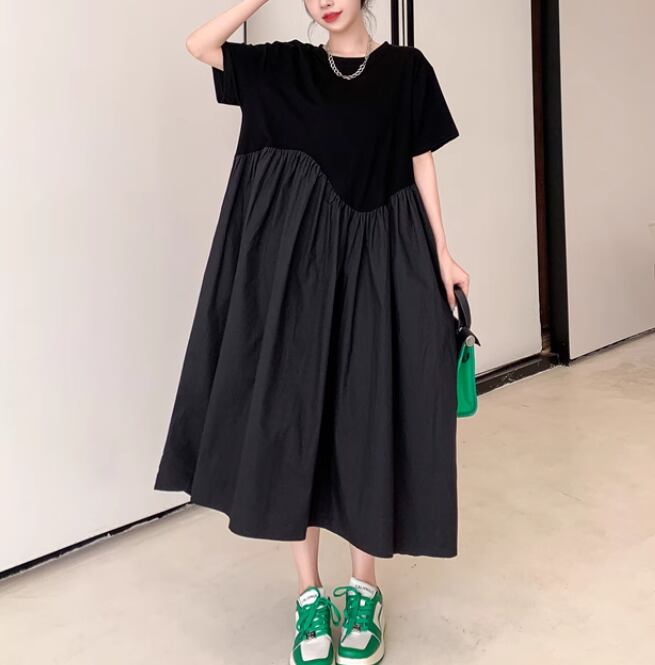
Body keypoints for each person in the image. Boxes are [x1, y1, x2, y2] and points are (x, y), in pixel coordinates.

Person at [154, 1, 470, 663]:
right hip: (296, 278)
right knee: (294, 421)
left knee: (365, 417)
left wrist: (442, 254)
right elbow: (199, 44)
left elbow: (420, 162)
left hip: (379, 264)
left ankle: (364, 588)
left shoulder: (406, 70)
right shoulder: (283, 68)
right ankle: (308, 594)